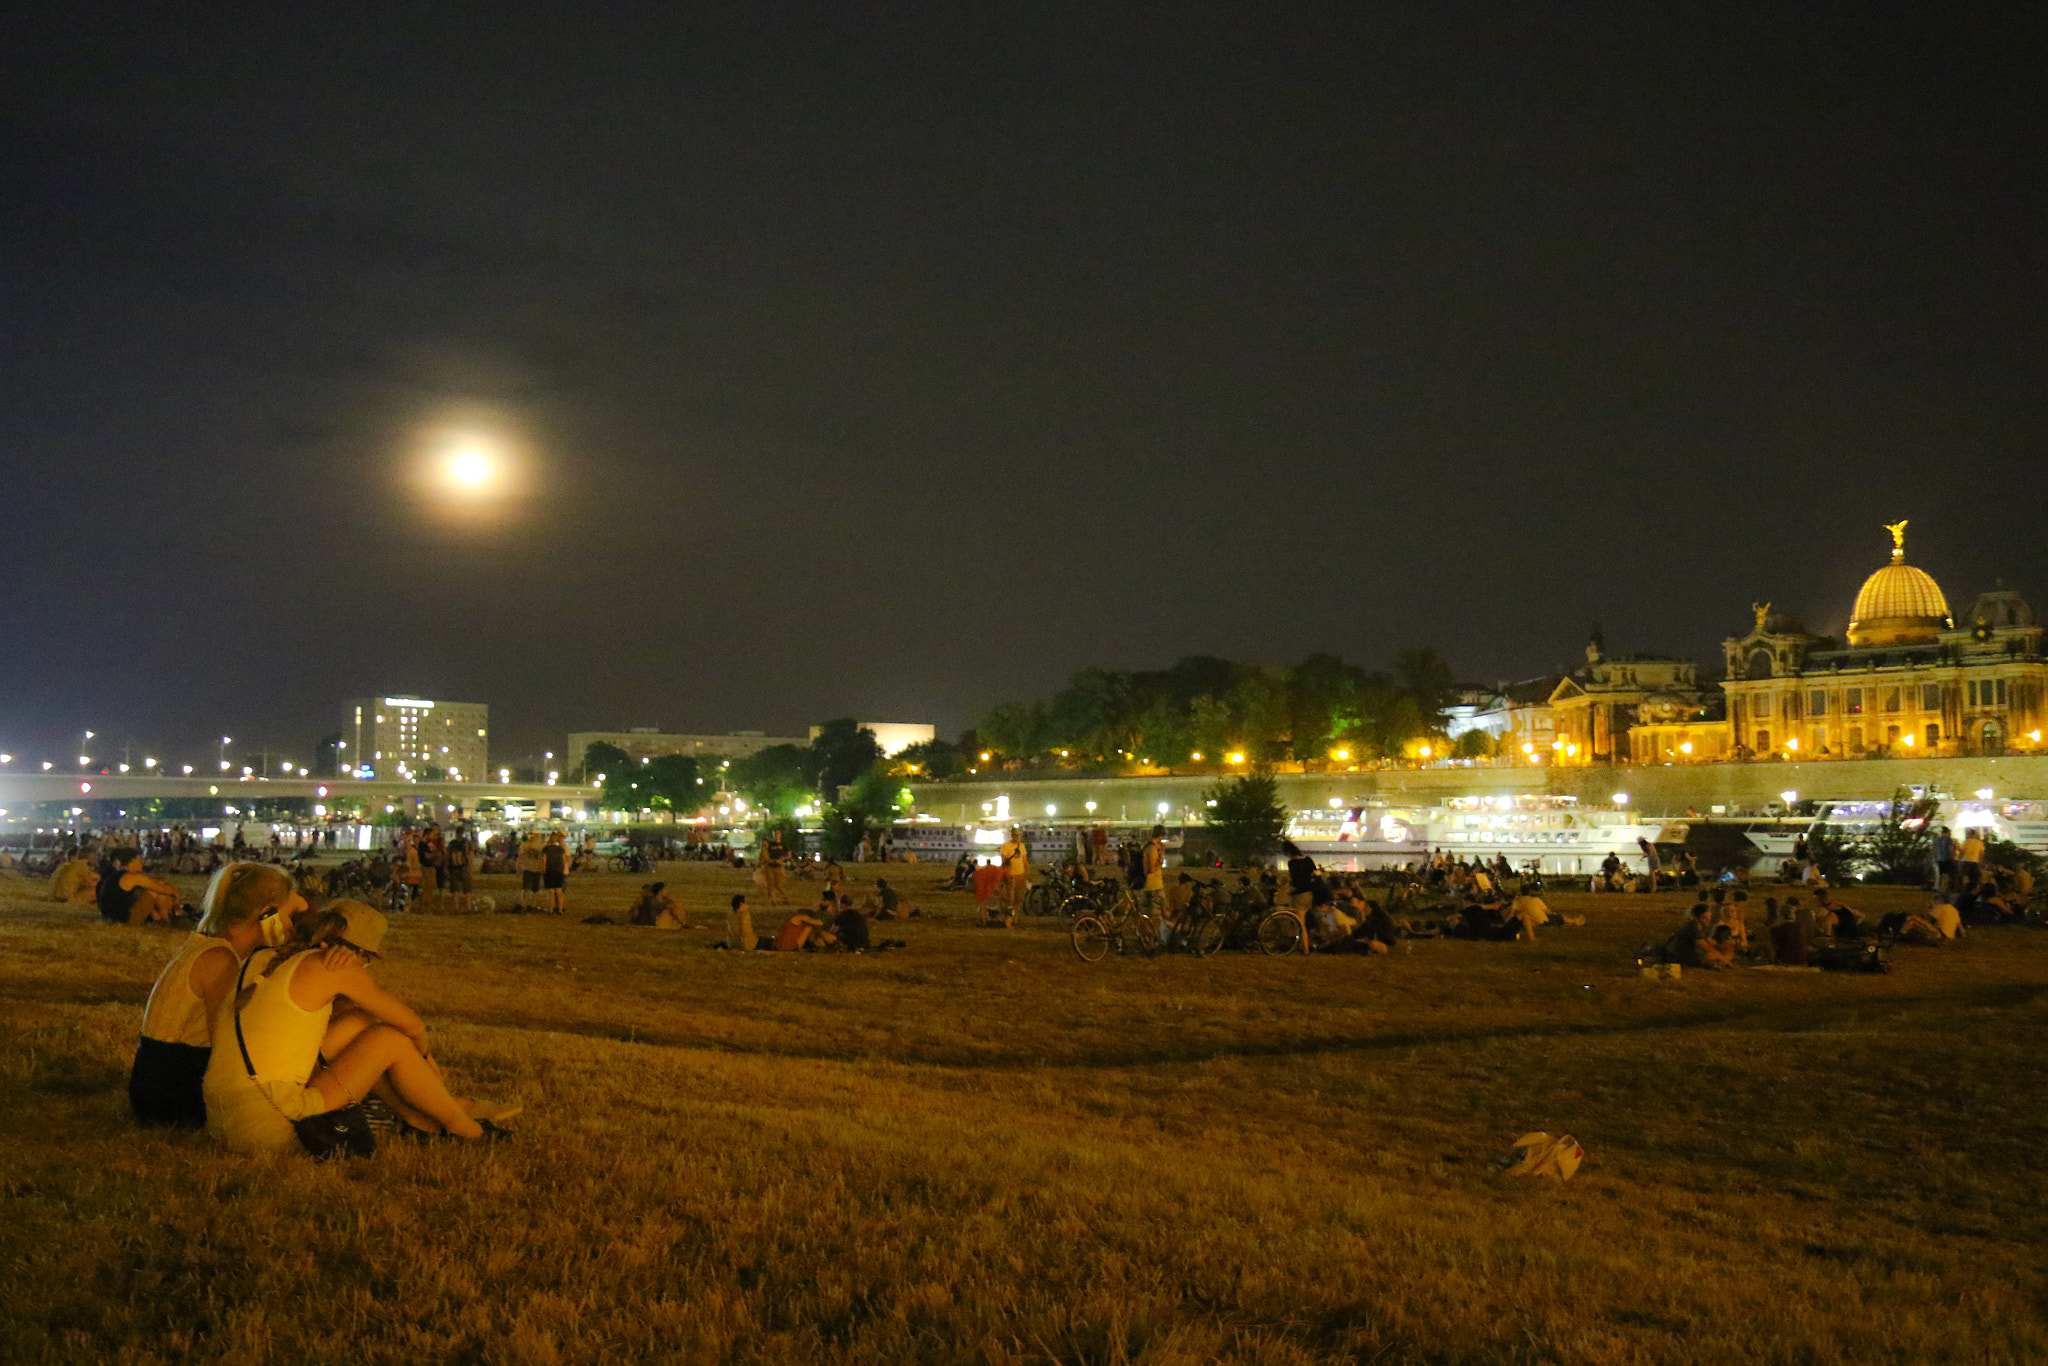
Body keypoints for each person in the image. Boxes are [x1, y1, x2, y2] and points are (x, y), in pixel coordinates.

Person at [202, 900, 504, 1150]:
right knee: (389, 1039)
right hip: (271, 1124)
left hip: (222, 1119)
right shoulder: (336, 966)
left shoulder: (265, 959)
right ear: (356, 950)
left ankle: (421, 1120)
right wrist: (427, 1059)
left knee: (360, 1025)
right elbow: (413, 1026)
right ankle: (465, 1130)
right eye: (368, 958)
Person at [130, 863, 334, 1128]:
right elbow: (226, 1046)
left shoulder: (209, 945)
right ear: (267, 915)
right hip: (174, 1093)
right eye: (290, 915)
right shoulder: (220, 960)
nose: (292, 927)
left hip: (162, 1082)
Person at [97, 847, 181, 925]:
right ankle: (166, 919)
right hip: (123, 919)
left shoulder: (116, 876)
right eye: (140, 861)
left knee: (146, 892)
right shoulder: (133, 877)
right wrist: (175, 893)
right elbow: (163, 889)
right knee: (154, 894)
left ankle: (163, 918)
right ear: (132, 861)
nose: (141, 865)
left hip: (110, 916)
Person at [998, 828, 1029, 925]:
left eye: (1018, 835)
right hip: (1011, 874)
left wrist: (1027, 874)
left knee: (1019, 898)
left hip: (1020, 874)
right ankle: (1009, 918)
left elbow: (1024, 861)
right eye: (1015, 835)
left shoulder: (1022, 846)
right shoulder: (1006, 846)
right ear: (1012, 835)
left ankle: (1016, 918)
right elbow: (1004, 861)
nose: (1017, 837)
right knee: (1010, 898)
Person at [442, 828, 474, 913]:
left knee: (455, 889)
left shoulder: (452, 843)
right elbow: (470, 856)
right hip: (464, 867)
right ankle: (468, 907)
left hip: (453, 868)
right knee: (467, 889)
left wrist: (446, 867)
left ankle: (456, 907)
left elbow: (447, 856)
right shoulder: (466, 844)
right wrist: (471, 867)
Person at [1282, 841, 1317, 914]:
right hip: (1310, 892)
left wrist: (1291, 889)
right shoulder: (1308, 859)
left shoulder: (1292, 862)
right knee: (1307, 915)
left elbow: (1295, 879)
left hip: (1299, 894)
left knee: (1297, 915)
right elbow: (1315, 873)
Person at [516, 831, 545, 911]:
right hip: (530, 869)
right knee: (528, 889)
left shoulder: (526, 845)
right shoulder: (540, 846)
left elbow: (520, 857)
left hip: (532, 868)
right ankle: (528, 905)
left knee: (532, 889)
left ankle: (530, 905)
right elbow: (520, 857)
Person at [542, 831, 569, 914]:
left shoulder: (546, 849)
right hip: (559, 871)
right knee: (559, 891)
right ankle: (560, 909)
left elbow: (544, 860)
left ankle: (551, 909)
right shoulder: (561, 849)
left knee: (551, 892)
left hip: (550, 870)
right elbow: (565, 860)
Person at [762, 832, 789, 905]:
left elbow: (789, 855)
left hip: (779, 866)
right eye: (775, 834)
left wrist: (782, 859)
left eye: (778, 834)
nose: (776, 835)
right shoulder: (771, 845)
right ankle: (774, 900)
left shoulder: (783, 844)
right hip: (771, 866)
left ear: (780, 835)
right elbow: (765, 853)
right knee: (771, 884)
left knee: (779, 884)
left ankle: (785, 897)